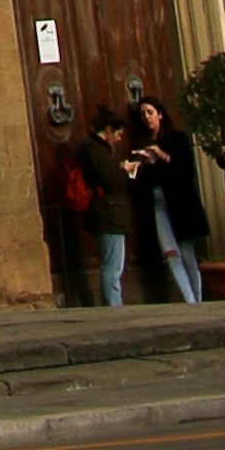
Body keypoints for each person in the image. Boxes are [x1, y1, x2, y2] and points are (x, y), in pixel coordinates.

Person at [128, 86, 209, 302]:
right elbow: (137, 182)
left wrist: (163, 156)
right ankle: (189, 300)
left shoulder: (177, 139)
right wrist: (137, 167)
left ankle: (197, 301)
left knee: (188, 254)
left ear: (160, 114)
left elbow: (186, 170)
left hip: (180, 203)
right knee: (170, 255)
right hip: (157, 204)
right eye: (143, 114)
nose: (147, 117)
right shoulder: (139, 143)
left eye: (150, 112)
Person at [74, 97, 133, 303]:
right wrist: (125, 171)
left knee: (112, 266)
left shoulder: (94, 150)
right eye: (118, 134)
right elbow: (110, 181)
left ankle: (113, 306)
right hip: (109, 215)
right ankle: (114, 310)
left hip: (107, 214)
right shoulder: (96, 151)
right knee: (112, 268)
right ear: (108, 130)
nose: (119, 139)